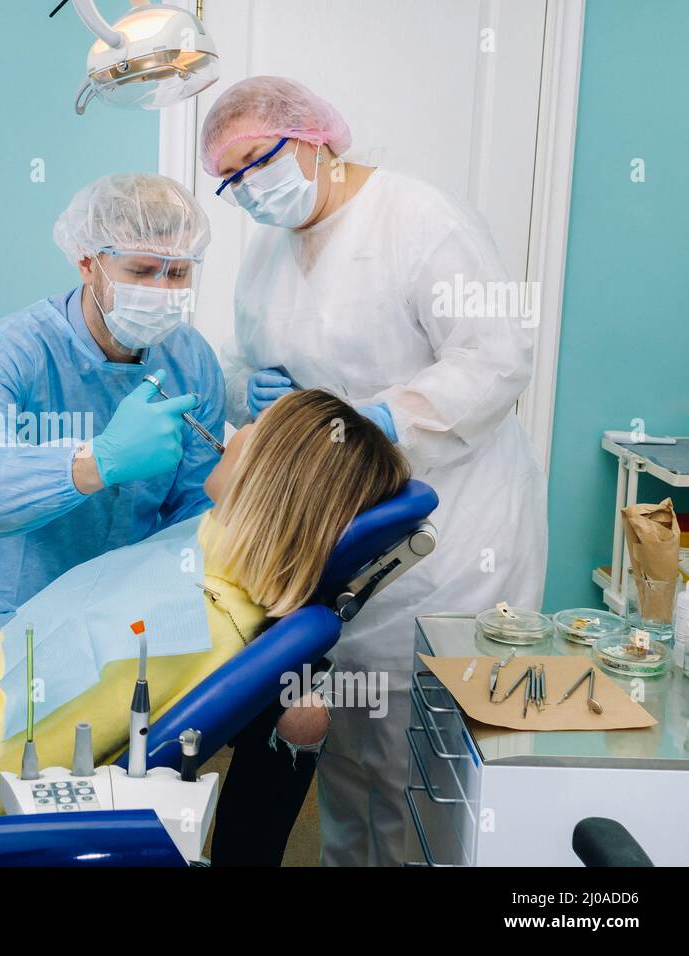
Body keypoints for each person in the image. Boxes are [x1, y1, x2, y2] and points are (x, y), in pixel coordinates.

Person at [200, 75, 548, 866]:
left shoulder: (419, 219)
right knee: (346, 754)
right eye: (230, 180)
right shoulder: (266, 250)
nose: (249, 190)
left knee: (417, 765)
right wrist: (246, 390)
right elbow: (243, 360)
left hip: (448, 533)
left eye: (257, 162)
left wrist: (381, 417)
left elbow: (497, 358)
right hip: (343, 542)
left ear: (317, 136)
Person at [0, 390, 410, 865]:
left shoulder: (186, 623)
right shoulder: (203, 557)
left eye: (255, 428)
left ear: (269, 476)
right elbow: (56, 653)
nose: (235, 430)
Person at [0, 173, 224, 636]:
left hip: (122, 616)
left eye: (178, 272)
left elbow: (197, 514)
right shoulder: (18, 350)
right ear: (88, 262)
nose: (163, 291)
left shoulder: (192, 360)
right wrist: (91, 464)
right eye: (142, 271)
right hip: (4, 617)